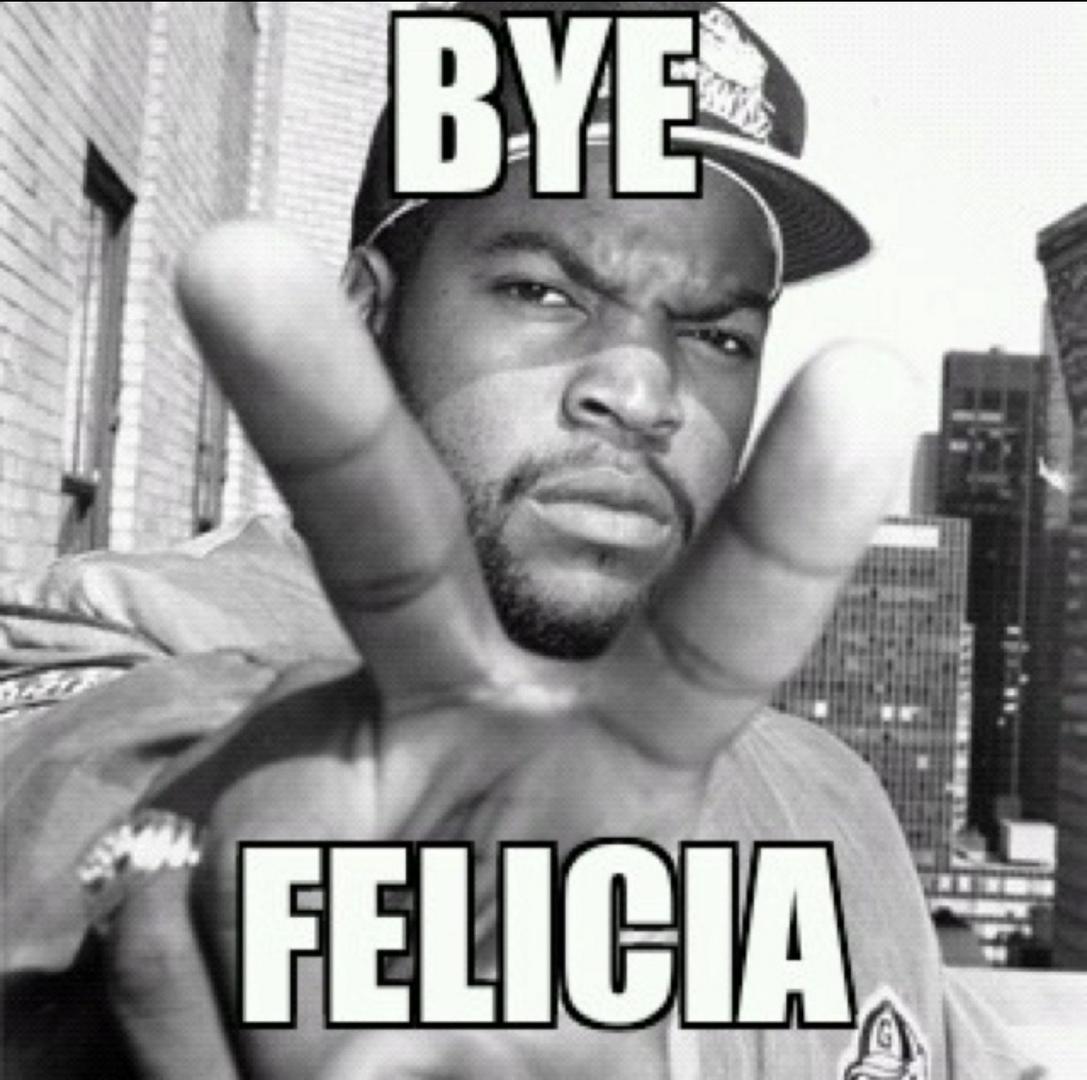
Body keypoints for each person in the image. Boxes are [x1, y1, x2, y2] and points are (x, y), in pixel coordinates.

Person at [0, 2, 1040, 1078]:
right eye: (541, 291)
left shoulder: (830, 798)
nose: (643, 389)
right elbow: (72, 807)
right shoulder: (136, 639)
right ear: (364, 315)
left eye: (714, 333)